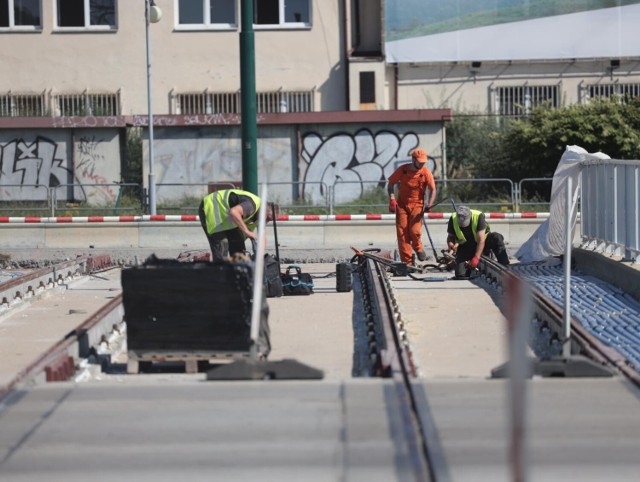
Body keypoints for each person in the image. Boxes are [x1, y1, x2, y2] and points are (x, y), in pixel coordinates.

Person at [387, 148, 437, 264]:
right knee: (402, 234)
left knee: (414, 231)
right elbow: (391, 184)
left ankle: (418, 248)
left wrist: (430, 204)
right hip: (402, 205)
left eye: (423, 162)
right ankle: (407, 263)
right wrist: (392, 199)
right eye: (420, 162)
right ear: (413, 160)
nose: (422, 164)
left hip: (418, 205)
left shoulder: (425, 172)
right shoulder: (403, 170)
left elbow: (433, 189)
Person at [198, 188, 276, 261]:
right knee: (222, 244)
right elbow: (234, 212)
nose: (267, 221)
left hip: (226, 217)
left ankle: (238, 271)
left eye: (270, 220)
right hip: (212, 207)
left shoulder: (261, 216)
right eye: (268, 218)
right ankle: (220, 272)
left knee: (238, 247)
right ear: (263, 210)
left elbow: (262, 236)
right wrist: (248, 232)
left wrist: (260, 256)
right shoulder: (251, 205)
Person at [446, 205, 510, 278]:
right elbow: (450, 236)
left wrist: (476, 257)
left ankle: (505, 266)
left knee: (496, 237)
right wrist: (450, 244)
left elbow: (481, 240)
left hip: (483, 243)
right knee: (460, 275)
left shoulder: (478, 216)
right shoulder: (453, 218)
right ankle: (469, 268)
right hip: (465, 246)